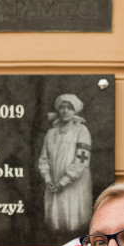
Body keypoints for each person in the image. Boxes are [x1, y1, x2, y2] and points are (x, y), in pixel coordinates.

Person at [37, 93, 92, 232]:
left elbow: (81, 160)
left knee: (74, 220)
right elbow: (44, 159)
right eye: (62, 107)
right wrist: (48, 179)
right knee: (56, 221)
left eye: (69, 108)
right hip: (53, 183)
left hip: (74, 183)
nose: (65, 111)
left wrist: (64, 181)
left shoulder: (81, 131)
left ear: (75, 111)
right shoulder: (51, 133)